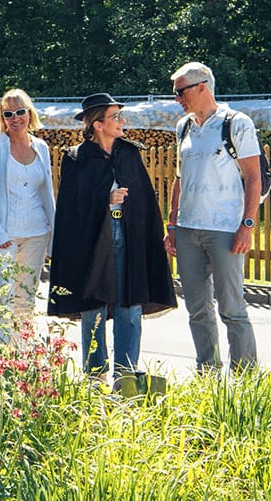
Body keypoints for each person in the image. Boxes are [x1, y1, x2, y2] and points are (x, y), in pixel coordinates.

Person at [47, 93, 177, 379]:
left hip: (129, 235)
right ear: (97, 124)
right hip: (92, 240)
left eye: (120, 115)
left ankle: (126, 374)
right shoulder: (76, 158)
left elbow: (144, 199)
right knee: (93, 306)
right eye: (115, 117)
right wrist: (105, 199)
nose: (122, 121)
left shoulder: (129, 153)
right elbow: (71, 205)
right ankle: (95, 374)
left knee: (129, 304)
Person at [164, 62, 260, 372]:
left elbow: (253, 178)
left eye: (180, 92)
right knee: (197, 309)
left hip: (225, 230)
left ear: (202, 87)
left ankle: (246, 379)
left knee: (232, 308)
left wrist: (247, 225)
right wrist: (172, 223)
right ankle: (208, 373)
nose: (177, 99)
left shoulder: (237, 123)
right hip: (189, 230)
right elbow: (180, 177)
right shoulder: (184, 127)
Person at [0, 89, 56, 342]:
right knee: (2, 298)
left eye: (20, 112)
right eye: (8, 113)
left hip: (37, 234)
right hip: (3, 236)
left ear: (29, 113)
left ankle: (21, 360)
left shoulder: (41, 147)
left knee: (25, 299)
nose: (15, 118)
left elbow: (47, 195)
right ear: (2, 117)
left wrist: (53, 237)